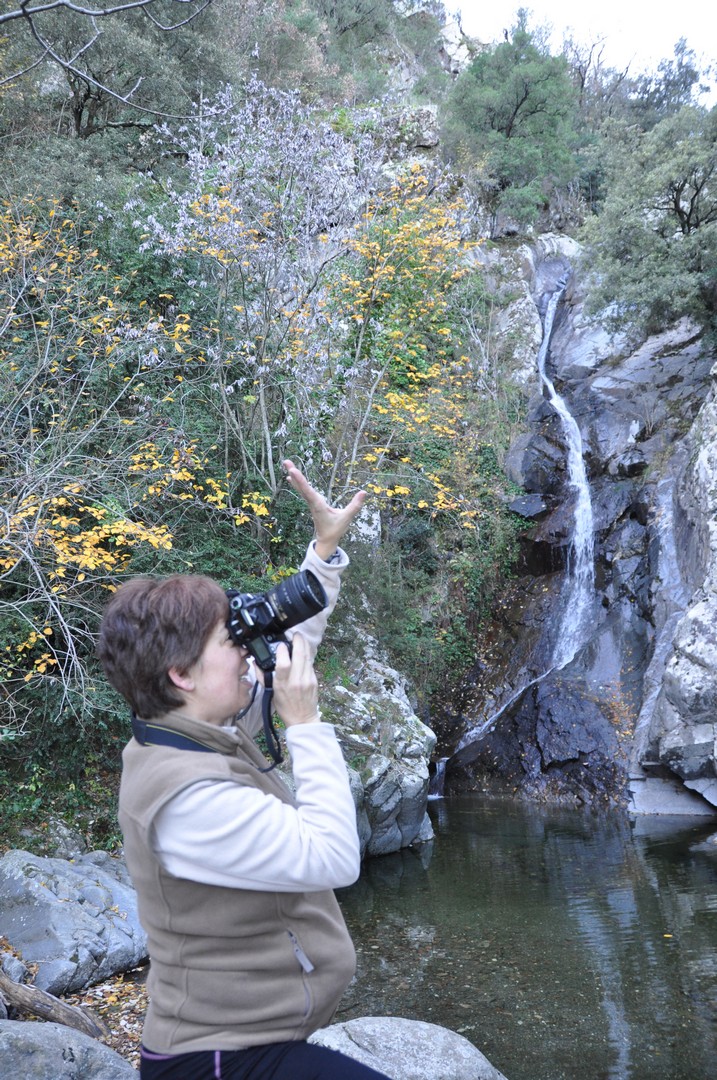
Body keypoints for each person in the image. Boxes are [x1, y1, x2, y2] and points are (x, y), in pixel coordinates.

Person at [97, 460, 390, 1080]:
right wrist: (306, 724)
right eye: (229, 642)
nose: (246, 652)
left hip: (254, 1035)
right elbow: (335, 856)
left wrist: (324, 554)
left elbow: (291, 652)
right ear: (182, 675)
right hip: (215, 1058)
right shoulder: (186, 799)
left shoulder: (192, 728)